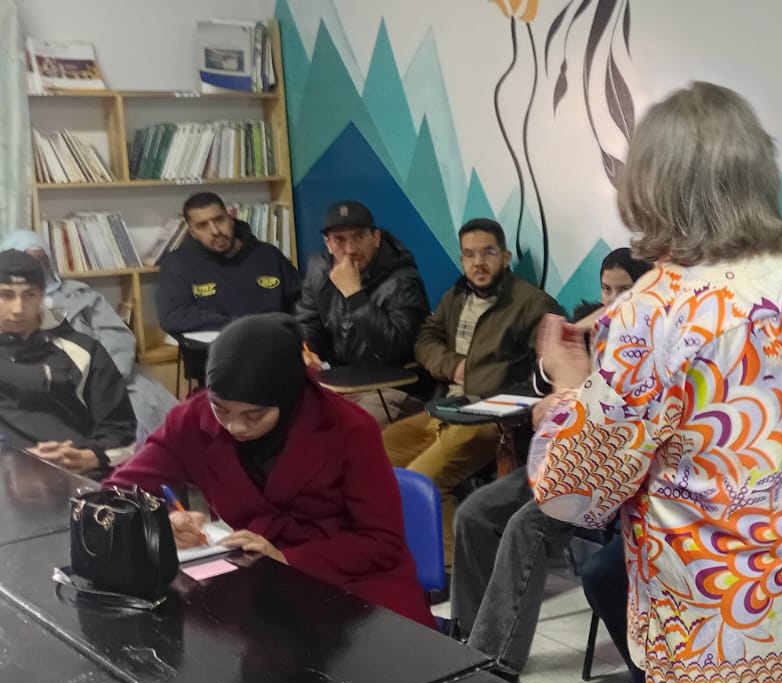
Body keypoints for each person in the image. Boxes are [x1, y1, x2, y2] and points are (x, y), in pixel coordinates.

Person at [528, 81, 782, 683]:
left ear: (651, 188)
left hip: (716, 645)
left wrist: (569, 389)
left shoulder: (652, 311)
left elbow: (572, 491)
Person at [106, 314, 432, 626]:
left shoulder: (349, 428)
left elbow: (382, 543)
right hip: (258, 582)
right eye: (221, 409)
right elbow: (117, 492)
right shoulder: (193, 419)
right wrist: (162, 522)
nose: (235, 426)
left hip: (358, 583)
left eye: (254, 415)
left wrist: (288, 559)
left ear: (287, 398)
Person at [451, 247, 655, 679]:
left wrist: (569, 397)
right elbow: (543, 384)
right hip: (561, 459)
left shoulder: (652, 342)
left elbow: (621, 426)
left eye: (624, 290)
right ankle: (468, 635)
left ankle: (496, 661)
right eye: (606, 289)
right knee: (474, 513)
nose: (612, 299)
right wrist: (553, 373)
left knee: (526, 526)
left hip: (606, 476)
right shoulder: (591, 326)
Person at [384, 218, 563, 563]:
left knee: (423, 479)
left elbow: (551, 370)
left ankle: (451, 569)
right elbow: (425, 338)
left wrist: (507, 402)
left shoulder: (532, 304)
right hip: (447, 407)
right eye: (470, 255)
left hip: (491, 419)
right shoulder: (457, 296)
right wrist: (452, 365)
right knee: (380, 453)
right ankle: (402, 552)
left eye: (488, 253)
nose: (478, 263)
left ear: (505, 257)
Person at [1, 230, 178, 434]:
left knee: (148, 417)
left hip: (105, 378)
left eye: (42, 260)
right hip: (42, 390)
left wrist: (105, 378)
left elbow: (116, 336)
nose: (37, 268)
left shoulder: (81, 295)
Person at [0, 250, 136, 478]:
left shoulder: (82, 351)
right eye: (6, 295)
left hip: (78, 476)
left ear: (42, 295)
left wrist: (91, 457)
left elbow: (122, 430)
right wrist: (15, 461)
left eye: (29, 294)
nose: (18, 308)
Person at [157, 192, 299, 379]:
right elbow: (173, 316)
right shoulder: (178, 265)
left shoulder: (268, 255)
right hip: (215, 365)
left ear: (231, 218)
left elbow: (301, 303)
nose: (215, 230)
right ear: (191, 232)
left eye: (219, 219)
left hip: (277, 355)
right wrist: (240, 325)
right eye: (202, 225)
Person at [295, 200, 428, 367]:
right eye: (339, 240)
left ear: (376, 238)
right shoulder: (319, 270)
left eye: (359, 237)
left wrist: (354, 295)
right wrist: (308, 349)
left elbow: (397, 350)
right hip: (336, 375)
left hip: (387, 378)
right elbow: (307, 322)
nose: (350, 249)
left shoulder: (402, 280)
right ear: (328, 244)